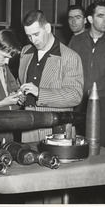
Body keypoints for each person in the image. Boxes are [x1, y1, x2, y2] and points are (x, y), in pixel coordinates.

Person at [19, 9, 84, 143]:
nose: (33, 40)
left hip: (57, 129)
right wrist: (19, 95)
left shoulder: (69, 57)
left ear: (47, 28)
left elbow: (75, 95)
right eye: (29, 36)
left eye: (36, 34)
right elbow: (20, 82)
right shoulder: (25, 52)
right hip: (27, 126)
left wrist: (39, 93)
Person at [68, 0, 105, 147]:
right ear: (90, 19)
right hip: (77, 103)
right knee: (75, 146)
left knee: (98, 148)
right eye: (101, 16)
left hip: (102, 105)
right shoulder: (76, 42)